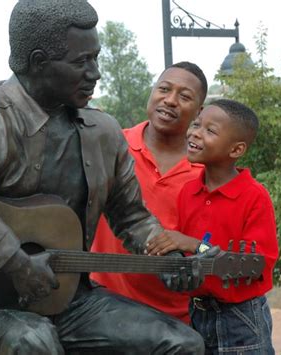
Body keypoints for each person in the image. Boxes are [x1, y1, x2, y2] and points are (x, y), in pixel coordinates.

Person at [0, 0, 207, 353]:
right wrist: (14, 261)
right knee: (35, 343)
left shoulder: (103, 131)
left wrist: (168, 256)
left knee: (182, 344)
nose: (95, 72)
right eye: (82, 61)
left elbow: (131, 217)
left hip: (73, 302)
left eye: (95, 58)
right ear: (38, 62)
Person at [147, 99, 279, 354]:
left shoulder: (254, 196)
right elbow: (186, 256)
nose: (195, 133)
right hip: (197, 313)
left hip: (241, 319)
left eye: (210, 130)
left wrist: (195, 245)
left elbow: (256, 265)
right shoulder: (189, 192)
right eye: (197, 124)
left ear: (236, 149)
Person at [91, 61, 207, 323]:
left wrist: (192, 246)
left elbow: (211, 243)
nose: (170, 100)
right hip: (102, 312)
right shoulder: (111, 146)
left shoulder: (207, 171)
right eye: (164, 89)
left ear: (199, 111)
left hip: (179, 320)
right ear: (152, 92)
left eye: (184, 96)